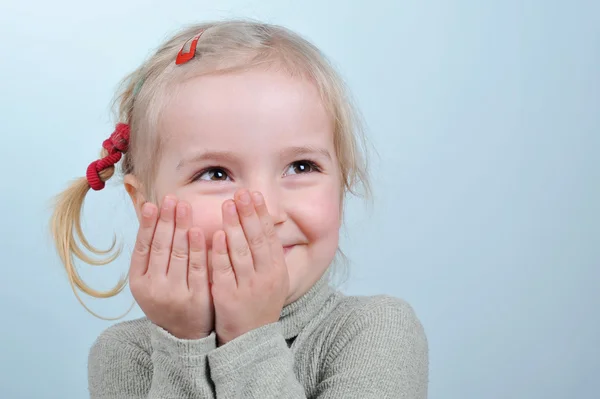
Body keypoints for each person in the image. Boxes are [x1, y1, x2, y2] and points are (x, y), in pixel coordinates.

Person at [50, 19, 428, 398]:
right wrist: (183, 346)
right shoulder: (125, 354)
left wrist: (249, 339)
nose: (264, 212)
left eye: (301, 166)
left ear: (341, 185)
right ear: (145, 205)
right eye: (216, 173)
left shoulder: (376, 330)